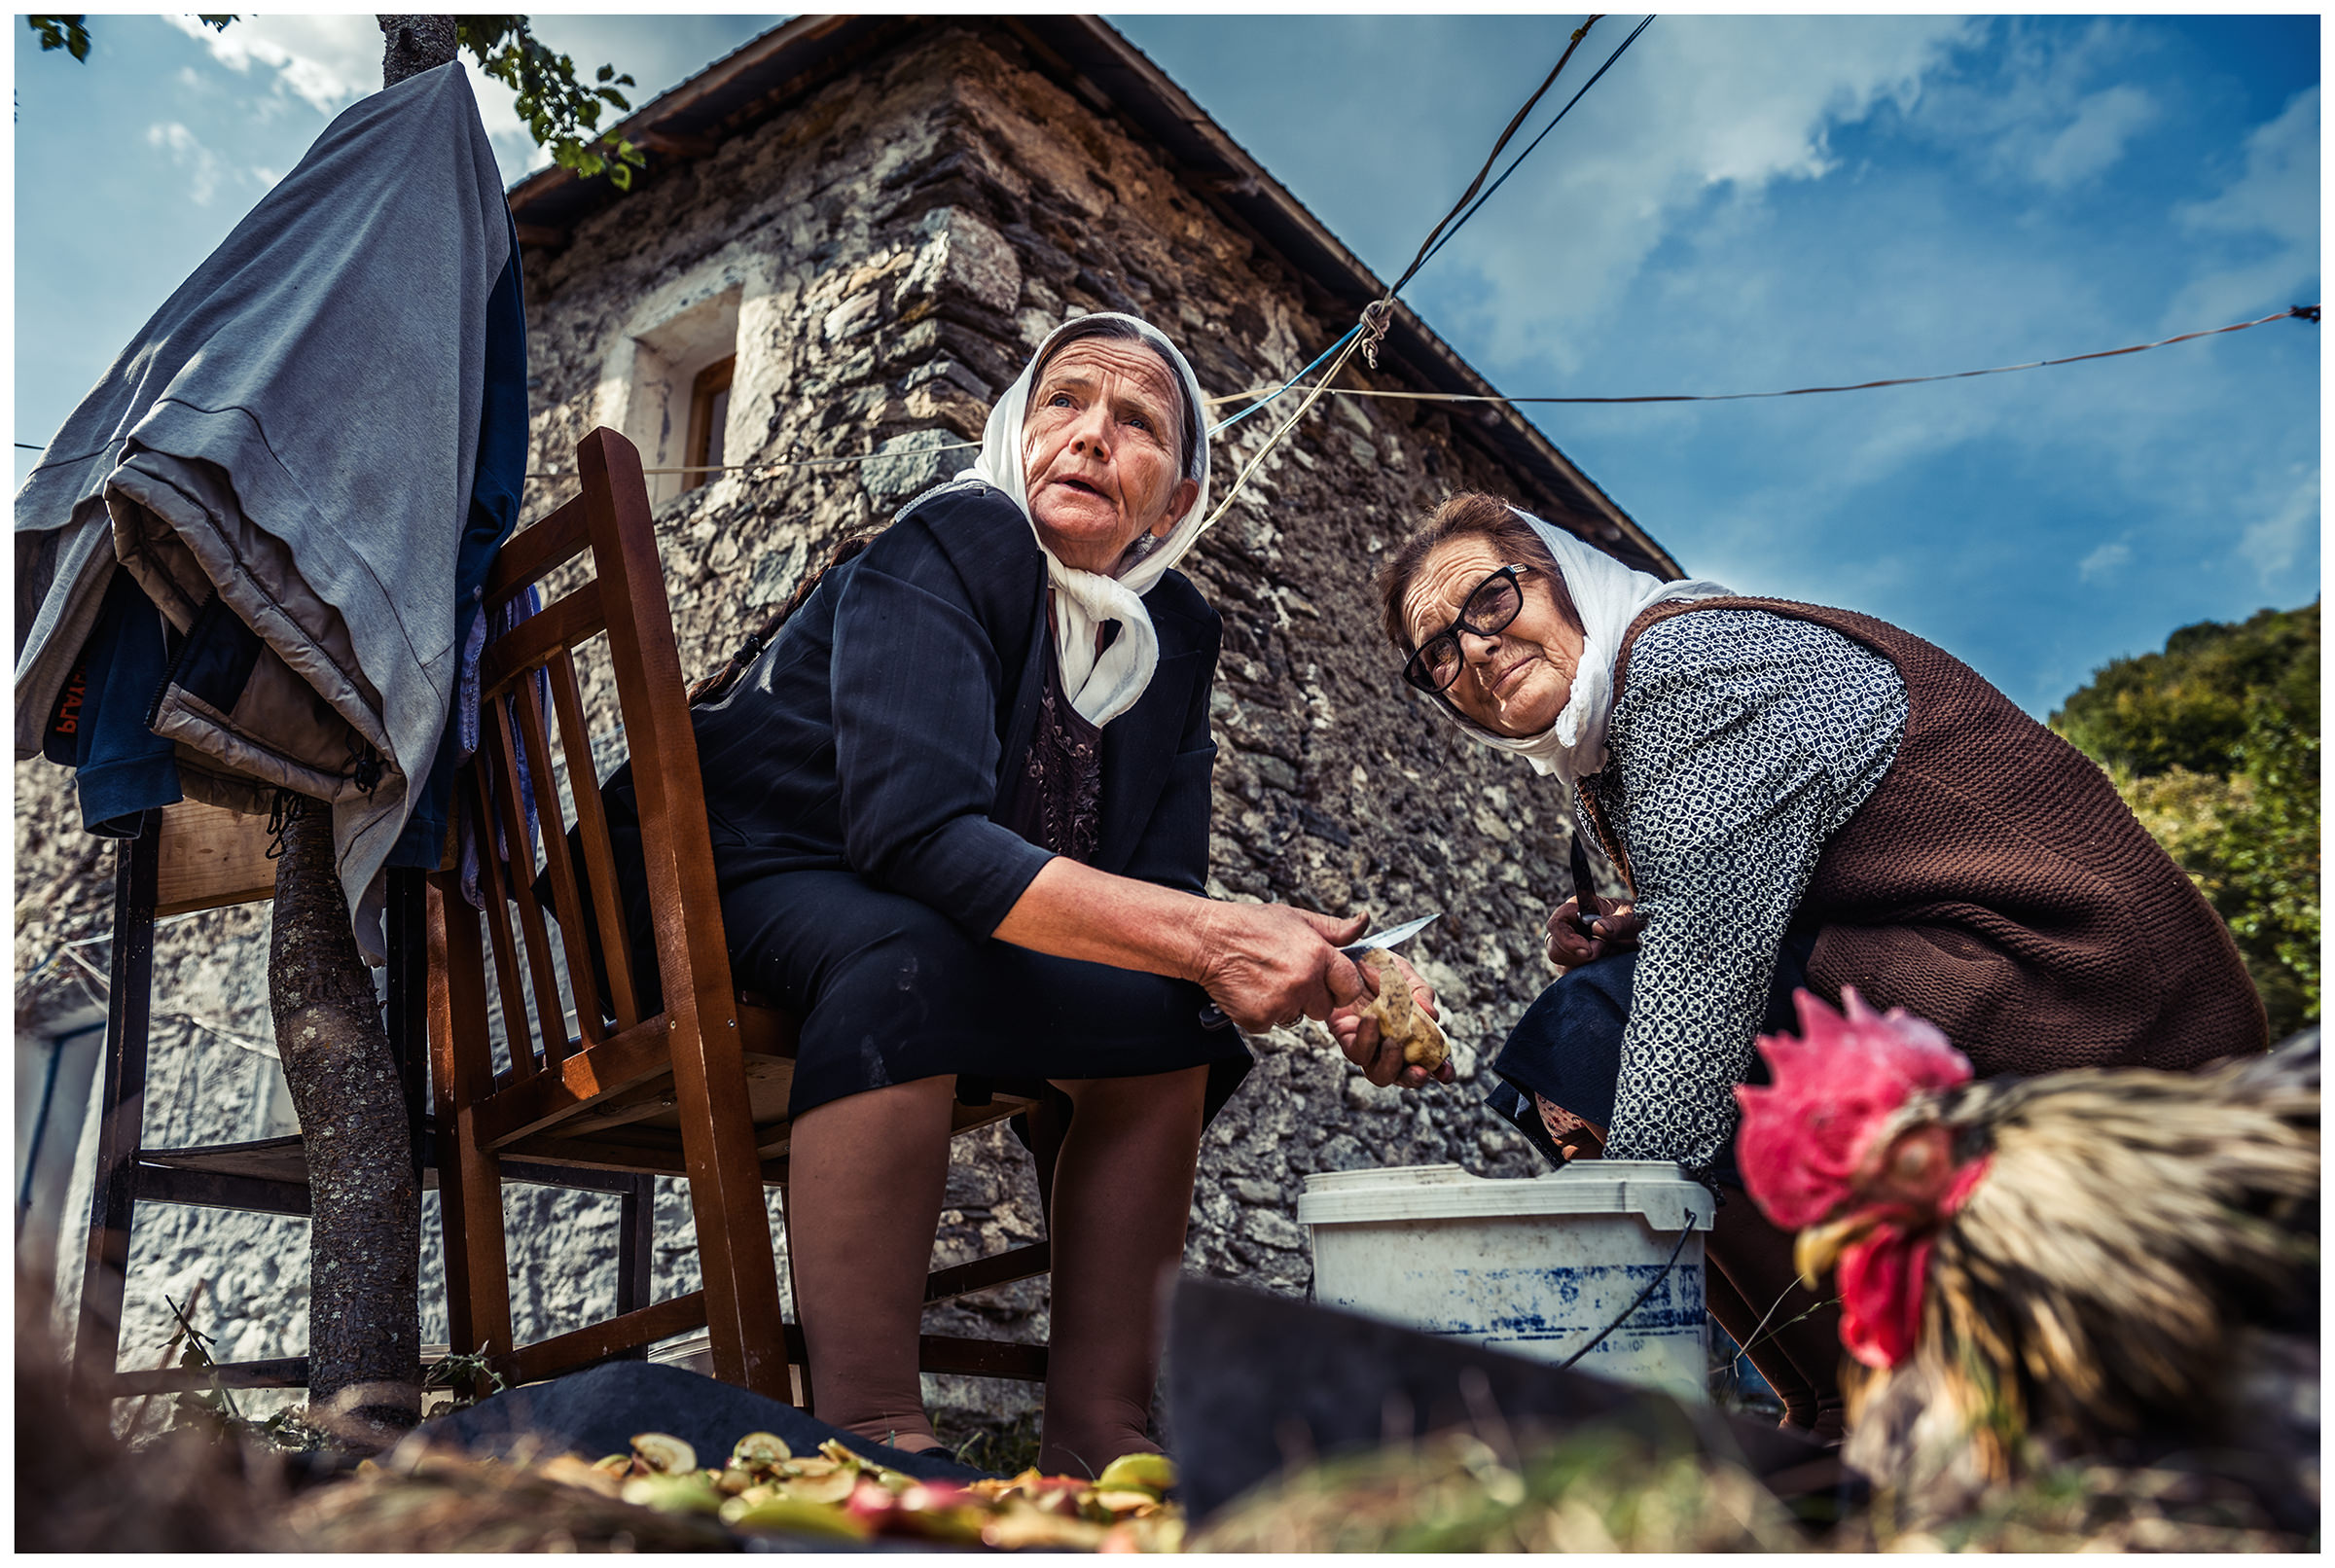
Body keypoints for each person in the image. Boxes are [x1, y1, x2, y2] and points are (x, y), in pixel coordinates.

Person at [605, 312, 1443, 1474]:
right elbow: (916, 833)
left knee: (1177, 1017)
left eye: (1136, 420)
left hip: (907, 908)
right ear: (1016, 430)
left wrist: (1321, 969)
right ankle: (869, 1432)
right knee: (909, 952)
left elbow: (1158, 896)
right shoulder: (958, 534)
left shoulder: (1174, 634)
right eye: (1063, 401)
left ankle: (1101, 1436)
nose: (1091, 435)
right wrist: (1213, 937)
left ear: (1175, 502)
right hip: (723, 875)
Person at [1375, 490, 2266, 1438]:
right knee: (1595, 1037)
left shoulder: (1684, 669)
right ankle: (1831, 1397)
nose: (1475, 649)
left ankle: (1860, 1403)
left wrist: (1596, 1265)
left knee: (1591, 1031)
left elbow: (1702, 980)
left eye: (1492, 599)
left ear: (1563, 582)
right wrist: (1642, 932)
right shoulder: (1623, 719)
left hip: (2090, 996)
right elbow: (1755, 897)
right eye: (1440, 652)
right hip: (1997, 982)